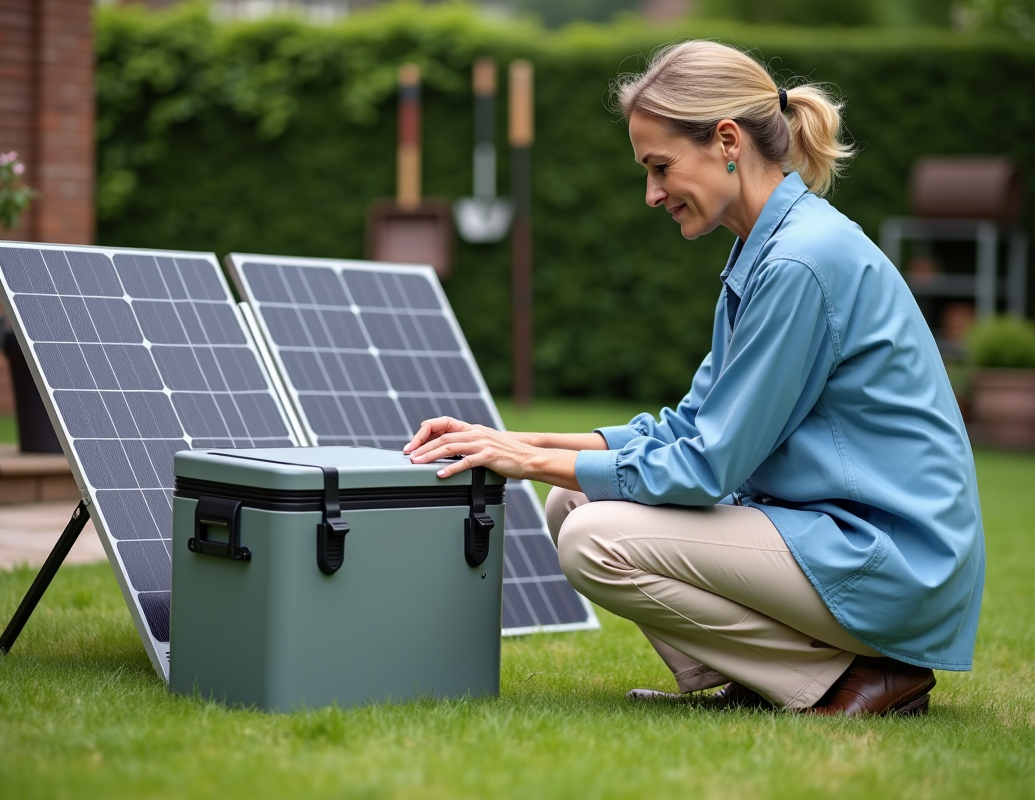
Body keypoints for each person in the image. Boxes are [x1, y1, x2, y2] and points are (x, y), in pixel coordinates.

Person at [403, 40, 985, 716]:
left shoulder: (800, 262)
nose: (651, 194)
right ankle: (769, 676)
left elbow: (707, 465)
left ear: (727, 141)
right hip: (831, 534)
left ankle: (858, 678)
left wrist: (528, 460)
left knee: (594, 537)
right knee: (572, 504)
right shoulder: (764, 249)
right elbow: (687, 426)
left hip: (893, 563)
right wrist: (506, 439)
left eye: (660, 167)